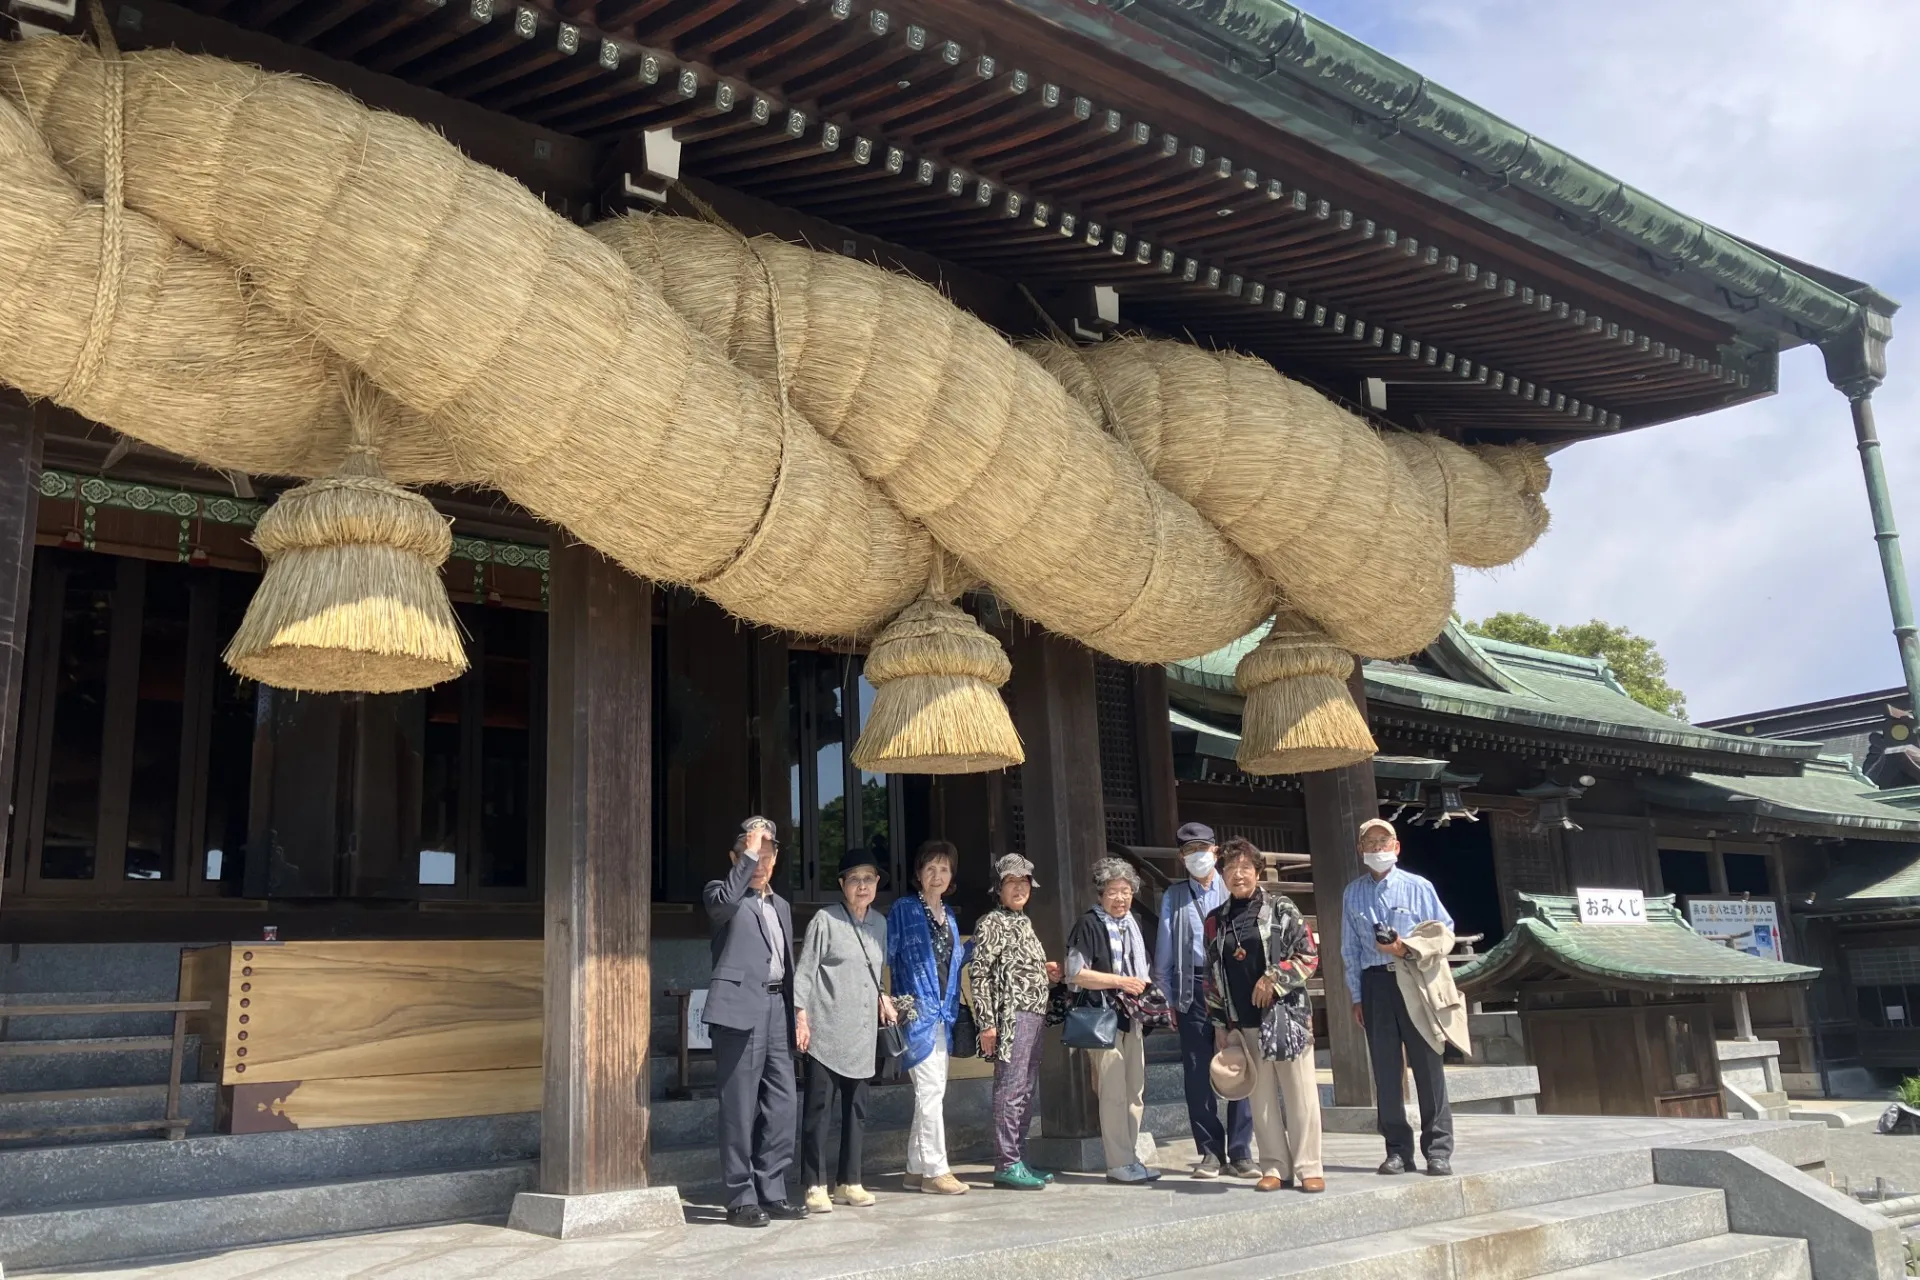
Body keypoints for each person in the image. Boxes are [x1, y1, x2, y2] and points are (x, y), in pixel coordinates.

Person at [703, 816, 809, 1227]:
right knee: (739, 1108)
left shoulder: (780, 905)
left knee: (783, 1105)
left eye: (767, 854)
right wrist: (746, 856)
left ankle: (773, 1189)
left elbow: (786, 964)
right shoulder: (721, 894)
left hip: (776, 1010)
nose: (761, 862)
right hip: (738, 1013)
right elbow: (724, 904)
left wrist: (798, 1011)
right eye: (752, 854)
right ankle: (740, 1197)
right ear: (735, 858)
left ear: (777, 858)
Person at [1204, 836, 1324, 1193]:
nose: (1237, 874)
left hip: (1285, 1016)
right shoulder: (1215, 921)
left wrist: (1274, 977)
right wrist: (1219, 1025)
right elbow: (1211, 977)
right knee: (1262, 1099)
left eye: (1244, 867)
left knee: (1300, 1093)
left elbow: (1309, 956)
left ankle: (1309, 1166)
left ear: (1257, 871)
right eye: (1229, 868)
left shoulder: (1282, 908)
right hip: (1243, 1021)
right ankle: (1274, 1166)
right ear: (1222, 875)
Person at [1341, 817, 1456, 1177]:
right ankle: (1397, 1150)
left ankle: (1437, 1149)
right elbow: (1349, 949)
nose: (1377, 848)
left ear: (1397, 847)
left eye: (1384, 841)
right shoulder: (1352, 892)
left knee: (1428, 1065)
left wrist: (1406, 946)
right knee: (1386, 1071)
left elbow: (1446, 932)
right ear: (1361, 849)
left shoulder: (1418, 887)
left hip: (1414, 978)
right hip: (1375, 984)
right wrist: (1357, 996)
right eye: (1370, 843)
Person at [793, 848, 897, 1213]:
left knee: (857, 1110)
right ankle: (813, 1183)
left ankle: (849, 1181)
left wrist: (884, 998)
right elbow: (804, 972)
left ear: (877, 884)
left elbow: (876, 970)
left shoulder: (880, 923)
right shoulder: (825, 919)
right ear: (842, 885)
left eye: (869, 879)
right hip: (825, 1029)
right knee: (818, 1110)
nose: (863, 886)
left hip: (863, 1030)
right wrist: (801, 1017)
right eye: (855, 879)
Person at [1153, 821, 1254, 1180]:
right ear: (1182, 858)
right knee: (1197, 1071)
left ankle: (1241, 1151)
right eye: (1189, 851)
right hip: (1192, 986)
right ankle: (1210, 1151)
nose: (1198, 857)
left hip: (1233, 985)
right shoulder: (1174, 897)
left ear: (1215, 852)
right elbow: (1164, 953)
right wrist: (1167, 1000)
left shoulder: (1233, 886)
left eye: (1203, 850)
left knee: (1238, 1062)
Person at [969, 853, 1062, 1190]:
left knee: (1025, 1089)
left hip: (1035, 1014)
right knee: (1010, 1088)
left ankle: (1019, 1158)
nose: (1020, 888)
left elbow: (1015, 967)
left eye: (1024, 882)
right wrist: (986, 1023)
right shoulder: (991, 921)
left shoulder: (1023, 921)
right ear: (999, 888)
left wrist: (1045, 971)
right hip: (1010, 1017)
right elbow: (979, 974)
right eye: (1012, 882)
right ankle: (1007, 1162)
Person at [1066, 856, 1161, 1184]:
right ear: (1100, 894)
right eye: (1112, 892)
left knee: (1135, 1089)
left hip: (1132, 1019)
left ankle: (1130, 1156)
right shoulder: (1088, 924)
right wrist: (1121, 982)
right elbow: (1075, 974)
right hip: (1103, 1019)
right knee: (1113, 1091)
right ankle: (1118, 1162)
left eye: (1125, 891)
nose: (1120, 898)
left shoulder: (1134, 924)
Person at [887, 839, 970, 1195]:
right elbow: (888, 954)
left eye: (944, 869)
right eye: (930, 868)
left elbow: (952, 962)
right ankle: (937, 1170)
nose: (937, 876)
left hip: (943, 1014)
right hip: (916, 1013)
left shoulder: (949, 914)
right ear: (919, 873)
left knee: (932, 1091)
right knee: (931, 1091)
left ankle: (913, 1170)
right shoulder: (905, 909)